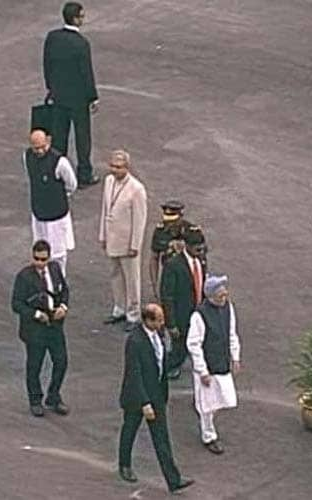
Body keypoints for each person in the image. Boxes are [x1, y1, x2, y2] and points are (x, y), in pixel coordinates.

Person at [118, 303, 194, 494]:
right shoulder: (135, 341)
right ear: (147, 320)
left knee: (162, 438)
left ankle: (173, 480)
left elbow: (161, 360)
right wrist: (144, 403)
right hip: (138, 397)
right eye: (159, 320)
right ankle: (124, 464)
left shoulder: (158, 334)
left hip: (157, 393)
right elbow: (133, 374)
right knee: (130, 430)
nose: (163, 323)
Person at [43, 1, 100, 187]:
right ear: (76, 18)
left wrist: (51, 88)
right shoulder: (81, 44)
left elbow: (47, 65)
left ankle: (58, 171)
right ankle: (84, 174)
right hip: (78, 98)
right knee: (82, 137)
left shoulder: (52, 38)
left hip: (58, 95)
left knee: (59, 136)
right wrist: (92, 96)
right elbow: (86, 72)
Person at [11, 240, 70, 417]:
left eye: (43, 259)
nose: (40, 263)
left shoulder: (55, 269)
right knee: (34, 366)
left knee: (61, 361)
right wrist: (36, 314)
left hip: (55, 325)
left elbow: (64, 291)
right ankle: (35, 400)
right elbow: (16, 304)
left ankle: (53, 395)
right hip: (35, 328)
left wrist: (63, 308)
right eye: (37, 259)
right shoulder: (24, 277)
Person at [186, 274, 241, 455]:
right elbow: (194, 344)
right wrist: (202, 371)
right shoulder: (199, 316)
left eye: (225, 294)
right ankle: (208, 436)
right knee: (208, 406)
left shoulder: (228, 308)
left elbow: (232, 333)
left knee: (223, 399)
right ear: (211, 296)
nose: (224, 297)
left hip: (222, 363)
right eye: (220, 295)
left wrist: (235, 357)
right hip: (208, 366)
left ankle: (202, 411)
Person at [99, 150, 147, 332]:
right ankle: (119, 308)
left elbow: (140, 220)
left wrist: (135, 244)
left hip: (127, 242)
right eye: (112, 166)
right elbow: (105, 210)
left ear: (127, 167)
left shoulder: (137, 189)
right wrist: (102, 235)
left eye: (118, 167)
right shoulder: (109, 181)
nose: (114, 170)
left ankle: (133, 313)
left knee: (131, 279)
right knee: (115, 275)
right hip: (112, 239)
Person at [23, 129, 77, 276]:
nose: (40, 151)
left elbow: (71, 184)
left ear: (48, 141)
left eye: (42, 147)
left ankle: (59, 282)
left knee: (58, 254)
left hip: (56, 217)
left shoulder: (60, 162)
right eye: (36, 148)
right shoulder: (27, 156)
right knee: (40, 250)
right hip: (39, 214)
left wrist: (57, 196)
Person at [160, 227, 206, 379]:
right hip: (181, 315)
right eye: (196, 248)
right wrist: (170, 323)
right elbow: (167, 296)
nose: (200, 251)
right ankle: (161, 371)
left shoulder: (201, 260)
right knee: (179, 350)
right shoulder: (173, 265)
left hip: (198, 313)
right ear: (187, 245)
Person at [149, 200, 207, 298]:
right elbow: (154, 257)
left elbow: (201, 258)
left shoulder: (192, 231)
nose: (169, 224)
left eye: (173, 221)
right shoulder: (160, 231)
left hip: (189, 275)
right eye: (167, 221)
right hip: (169, 274)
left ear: (180, 217)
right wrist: (155, 284)